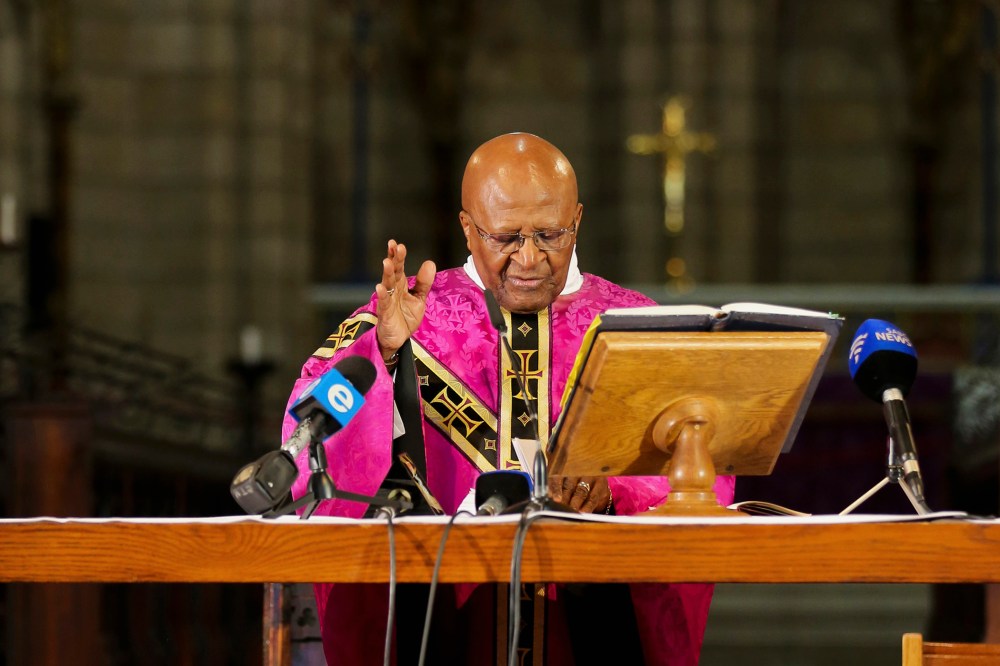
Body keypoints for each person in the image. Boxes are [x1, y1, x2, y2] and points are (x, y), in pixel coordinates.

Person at [282, 132, 735, 665]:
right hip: (448, 624)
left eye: (549, 234)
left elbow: (705, 460)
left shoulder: (638, 326)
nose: (529, 258)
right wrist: (383, 352)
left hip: (590, 623)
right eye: (506, 237)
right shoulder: (402, 317)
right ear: (468, 229)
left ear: (578, 221)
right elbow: (305, 441)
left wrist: (614, 494)